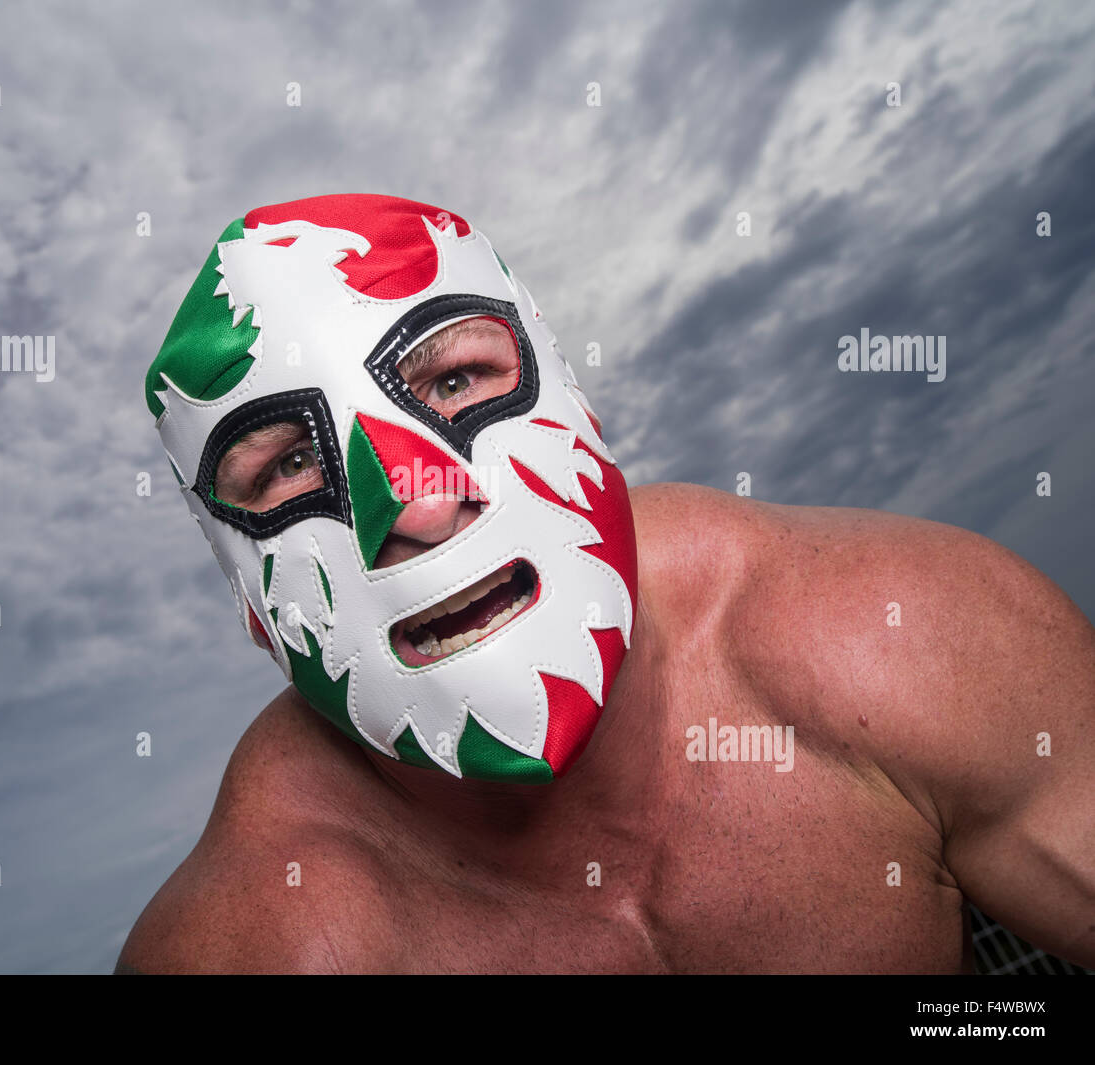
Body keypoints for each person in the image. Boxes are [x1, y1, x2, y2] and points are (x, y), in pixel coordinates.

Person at [116, 194, 1095, 973]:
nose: (415, 505)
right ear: (248, 599)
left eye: (454, 381)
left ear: (577, 406)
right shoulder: (258, 942)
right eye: (286, 469)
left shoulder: (899, 642)